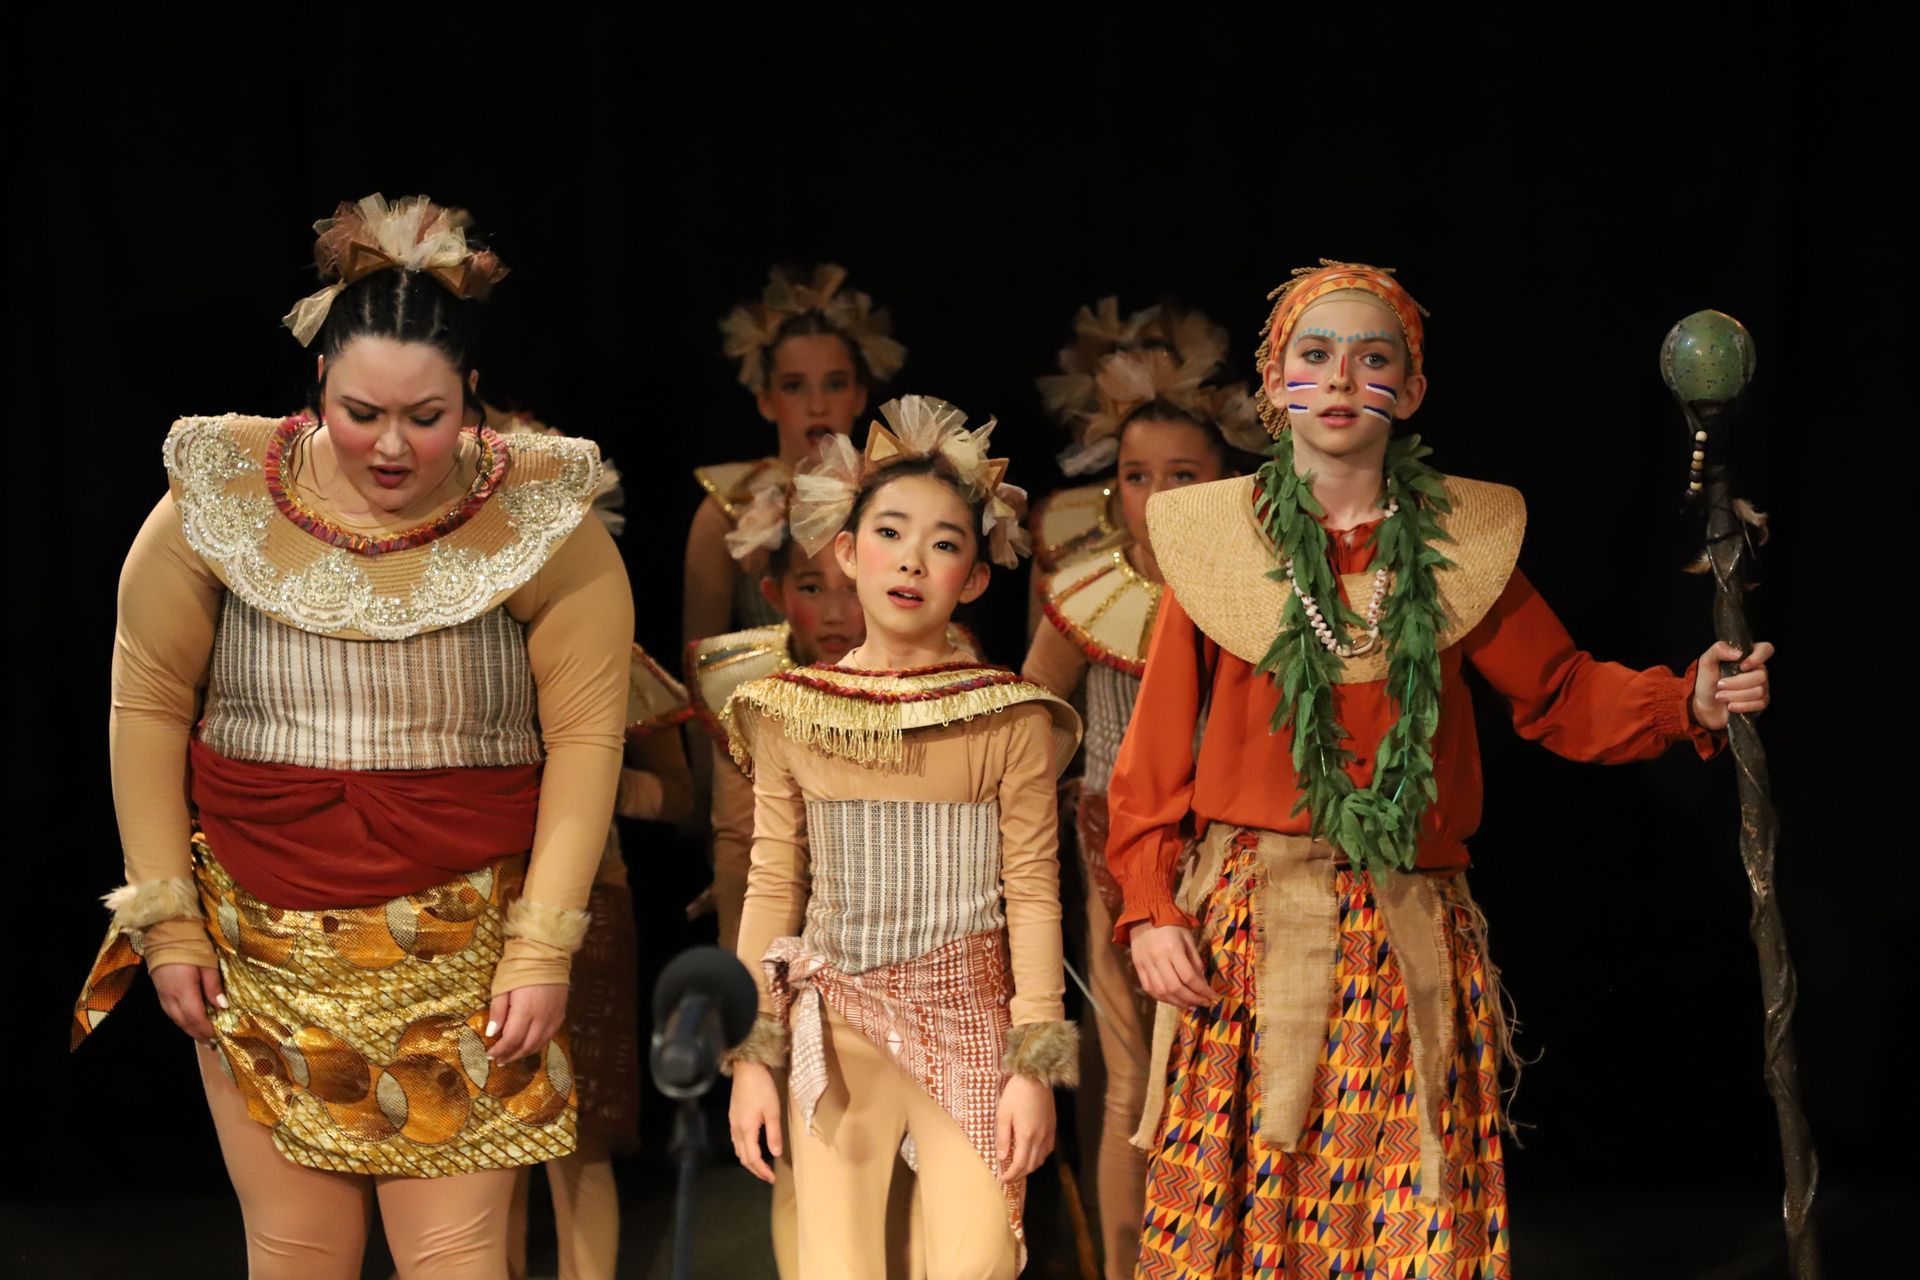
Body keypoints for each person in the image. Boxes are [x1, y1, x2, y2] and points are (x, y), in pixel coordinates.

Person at [1108, 260, 1775, 1279]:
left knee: (1394, 1208)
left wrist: (1684, 698)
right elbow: (1151, 758)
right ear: (1273, 382)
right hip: (1250, 922)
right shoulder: (1216, 544)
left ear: (1409, 393)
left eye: (1372, 359)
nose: (1340, 380)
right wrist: (1153, 905)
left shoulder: (1459, 548)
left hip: (1407, 919)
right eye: (1315, 356)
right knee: (1248, 1216)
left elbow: (1556, 689)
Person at [71, 194, 633, 1280]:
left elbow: (586, 738)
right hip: (259, 935)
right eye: (362, 410)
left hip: (469, 943)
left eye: (426, 416)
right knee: (295, 1248)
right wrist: (164, 918)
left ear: (470, 394)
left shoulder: (539, 519)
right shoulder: (218, 497)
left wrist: (543, 941)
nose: (391, 444)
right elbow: (146, 703)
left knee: (460, 1253)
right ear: (319, 372)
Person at [722, 397, 1082, 1279]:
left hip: (968, 1021)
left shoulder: (1009, 717)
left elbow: (1034, 891)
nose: (913, 560)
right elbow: (773, 888)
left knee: (975, 1261)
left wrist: (1034, 1065)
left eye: (946, 543)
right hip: (838, 1024)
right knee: (834, 1262)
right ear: (846, 552)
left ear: (976, 576)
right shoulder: (793, 710)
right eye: (889, 532)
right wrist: (752, 1055)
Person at [1018, 310, 1265, 1280]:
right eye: (1134, 474)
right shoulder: (1085, 594)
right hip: (1121, 857)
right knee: (1130, 1079)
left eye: (1182, 475)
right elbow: (1029, 731)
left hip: (1240, 854)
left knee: (1232, 1072)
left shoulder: (1255, 587)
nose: (1155, 494)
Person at [493, 406, 694, 1280]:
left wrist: (586, 773)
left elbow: (681, 798)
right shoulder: (455, 645)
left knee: (577, 1140)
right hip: (473, 900)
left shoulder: (613, 652)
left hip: (587, 908)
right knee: (483, 1142)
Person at [685, 263, 906, 645]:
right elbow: (700, 660)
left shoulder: (897, 494)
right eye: (794, 387)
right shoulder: (727, 509)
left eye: (835, 384)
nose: (817, 405)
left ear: (859, 396)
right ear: (766, 401)